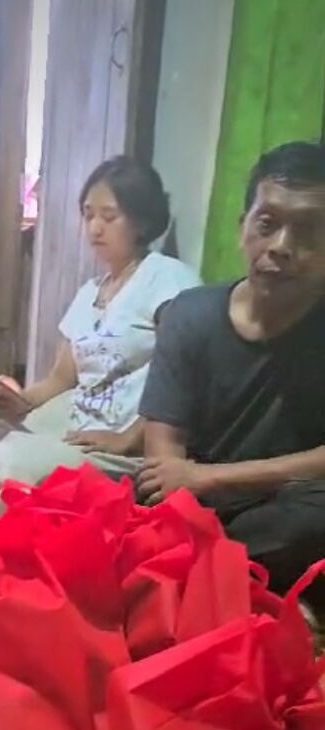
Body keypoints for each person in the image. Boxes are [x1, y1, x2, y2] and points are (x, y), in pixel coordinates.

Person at [0, 156, 200, 521]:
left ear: (142, 221)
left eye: (109, 217)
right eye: (88, 215)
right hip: (74, 424)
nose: (95, 228)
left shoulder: (167, 279)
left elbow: (187, 379)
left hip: (124, 442)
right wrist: (17, 402)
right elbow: (60, 380)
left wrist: (129, 438)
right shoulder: (89, 292)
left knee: (20, 466)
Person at [138, 141, 325, 594]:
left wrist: (210, 477)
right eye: (267, 224)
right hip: (195, 502)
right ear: (243, 229)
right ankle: (217, 571)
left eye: (307, 231)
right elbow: (164, 454)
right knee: (80, 491)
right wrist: (187, 489)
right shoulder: (189, 314)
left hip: (285, 503)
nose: (281, 247)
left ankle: (198, 570)